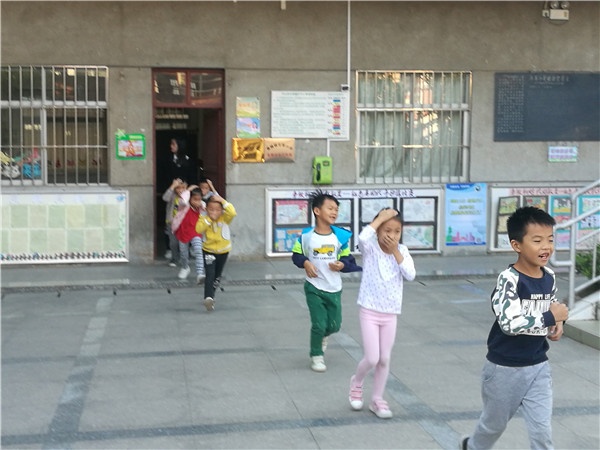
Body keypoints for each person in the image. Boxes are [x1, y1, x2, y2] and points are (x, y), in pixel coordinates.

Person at [460, 206, 569, 450]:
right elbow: (510, 324)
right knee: (493, 426)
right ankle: (473, 446)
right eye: (537, 241)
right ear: (516, 245)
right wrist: (550, 317)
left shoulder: (549, 276)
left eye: (550, 240)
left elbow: (552, 306)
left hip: (538, 366)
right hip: (504, 369)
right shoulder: (508, 280)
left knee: (542, 431)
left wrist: (558, 322)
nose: (546, 247)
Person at [347, 208, 415, 419]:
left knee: (384, 359)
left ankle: (377, 399)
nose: (392, 235)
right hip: (369, 310)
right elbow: (361, 238)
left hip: (390, 313)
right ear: (377, 231)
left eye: (396, 231)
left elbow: (410, 274)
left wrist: (396, 252)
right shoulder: (370, 248)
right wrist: (380, 219)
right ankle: (357, 382)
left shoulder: (402, 251)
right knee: (372, 357)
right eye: (387, 230)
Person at [291, 190, 361, 373]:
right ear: (317, 211)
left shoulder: (340, 237)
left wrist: (342, 264)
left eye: (336, 209)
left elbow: (347, 259)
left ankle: (323, 336)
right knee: (319, 324)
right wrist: (306, 263)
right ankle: (316, 356)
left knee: (334, 326)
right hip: (314, 287)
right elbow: (296, 255)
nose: (334, 212)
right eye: (330, 208)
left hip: (334, 288)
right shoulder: (306, 237)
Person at [195, 193, 237, 312]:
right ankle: (208, 297)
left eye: (218, 210)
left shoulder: (225, 218)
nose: (214, 212)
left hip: (223, 251)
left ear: (222, 210)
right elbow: (198, 229)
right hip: (209, 250)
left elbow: (232, 212)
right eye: (211, 209)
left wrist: (222, 200)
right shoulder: (203, 217)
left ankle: (211, 295)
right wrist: (209, 219)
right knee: (210, 273)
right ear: (206, 209)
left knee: (217, 276)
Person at [172, 187, 205, 283]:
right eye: (195, 199)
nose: (197, 202)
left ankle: (200, 274)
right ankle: (185, 267)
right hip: (183, 232)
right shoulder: (184, 205)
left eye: (199, 199)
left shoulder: (202, 206)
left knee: (198, 251)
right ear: (190, 198)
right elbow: (182, 199)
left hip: (196, 232)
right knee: (183, 253)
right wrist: (189, 190)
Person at [162, 178, 188, 267]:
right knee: (173, 242)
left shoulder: (187, 196)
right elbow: (165, 198)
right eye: (178, 188)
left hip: (183, 222)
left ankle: (184, 258)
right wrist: (172, 186)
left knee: (183, 242)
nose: (180, 190)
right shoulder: (172, 195)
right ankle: (174, 258)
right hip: (171, 222)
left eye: (183, 188)